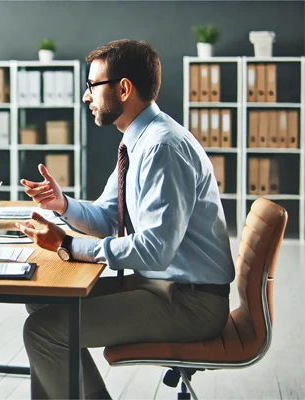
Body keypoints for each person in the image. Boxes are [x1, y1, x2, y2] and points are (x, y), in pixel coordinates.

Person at [16, 39, 235, 399]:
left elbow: (155, 251)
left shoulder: (161, 147)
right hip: (164, 286)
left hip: (190, 302)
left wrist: (68, 245)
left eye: (92, 86)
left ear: (123, 88)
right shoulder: (139, 140)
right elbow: (106, 215)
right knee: (44, 301)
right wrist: (63, 205)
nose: (86, 97)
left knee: (43, 331)